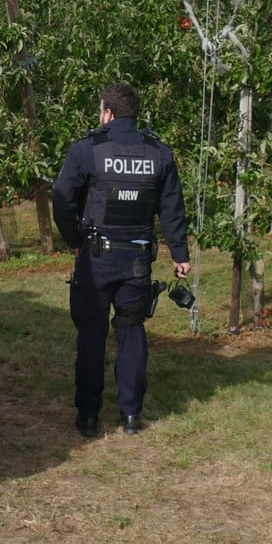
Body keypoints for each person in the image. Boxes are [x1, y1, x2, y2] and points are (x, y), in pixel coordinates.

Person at [51, 83, 190, 437]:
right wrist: (180, 254)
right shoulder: (159, 153)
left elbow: (63, 197)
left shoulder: (87, 150)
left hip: (96, 260)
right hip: (136, 262)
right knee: (131, 333)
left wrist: (74, 240)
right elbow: (172, 208)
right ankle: (131, 414)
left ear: (108, 113)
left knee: (92, 335)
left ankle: (89, 416)